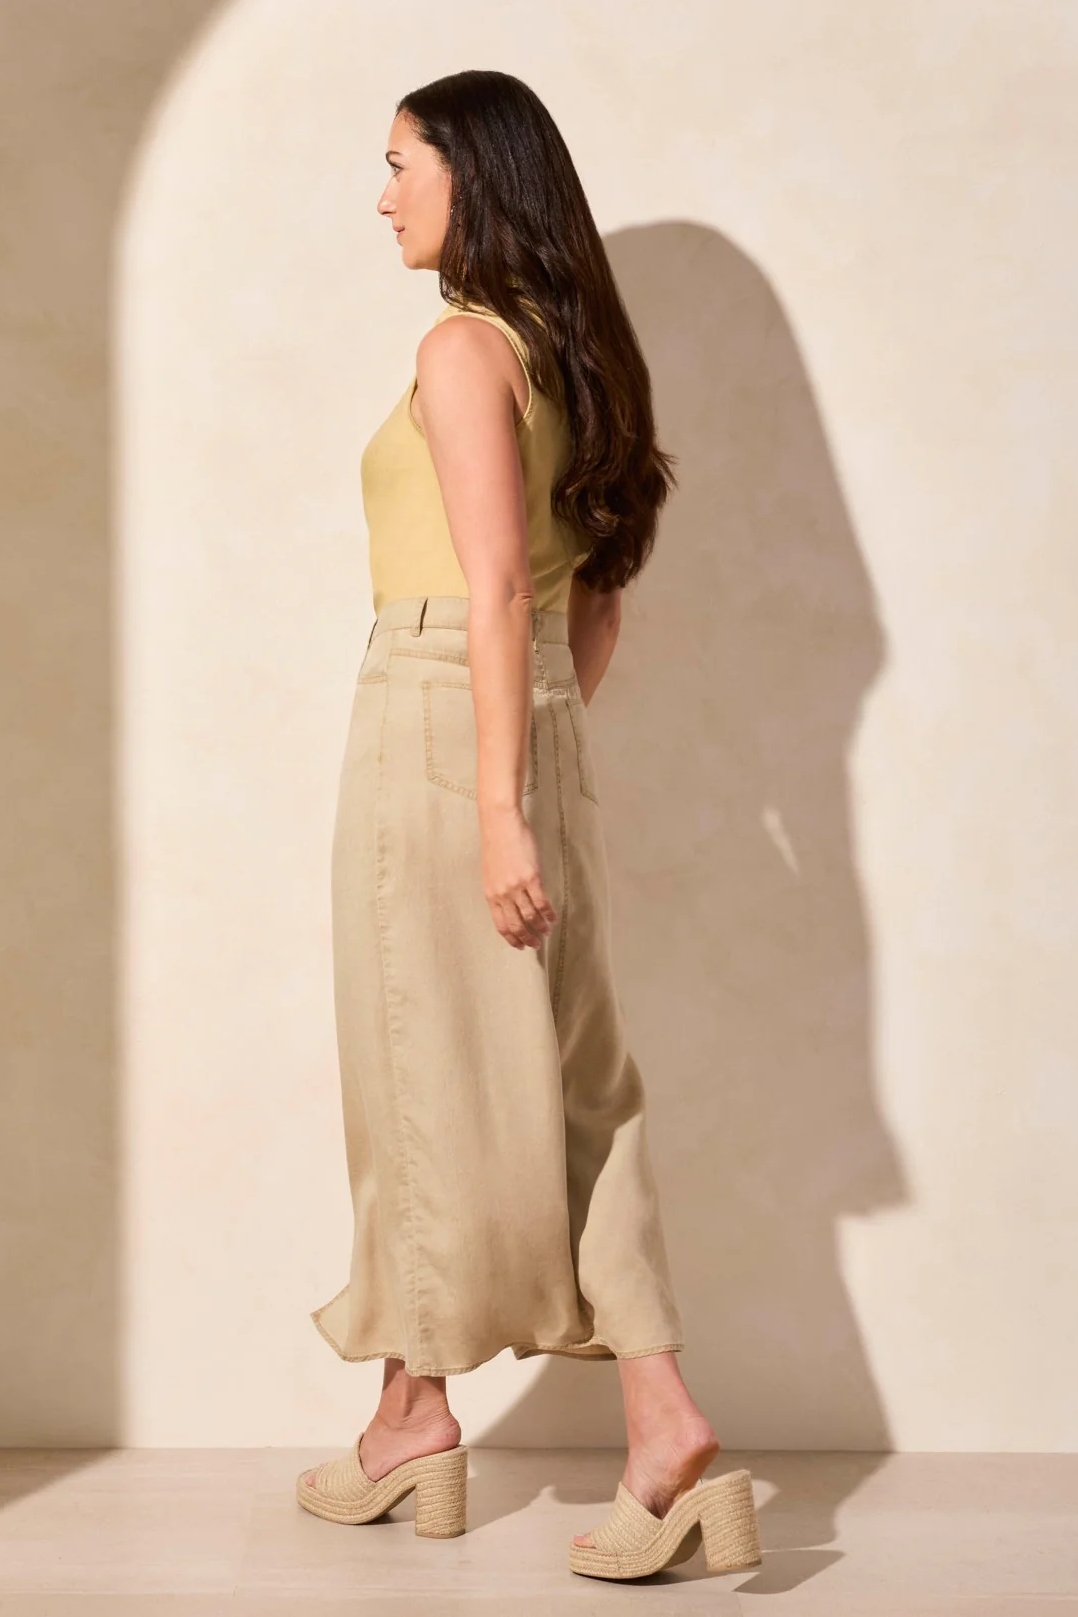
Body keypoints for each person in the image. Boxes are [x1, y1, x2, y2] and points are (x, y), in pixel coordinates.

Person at [295, 70, 761, 1579]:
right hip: (533, 713)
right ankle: (652, 1422)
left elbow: (493, 586)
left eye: (399, 164)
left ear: (471, 174)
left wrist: (491, 804)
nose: (382, 196)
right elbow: (590, 597)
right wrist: (537, 754)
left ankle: (414, 1419)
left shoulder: (457, 349)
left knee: (412, 1060)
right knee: (580, 1081)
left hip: (442, 718)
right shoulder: (574, 360)